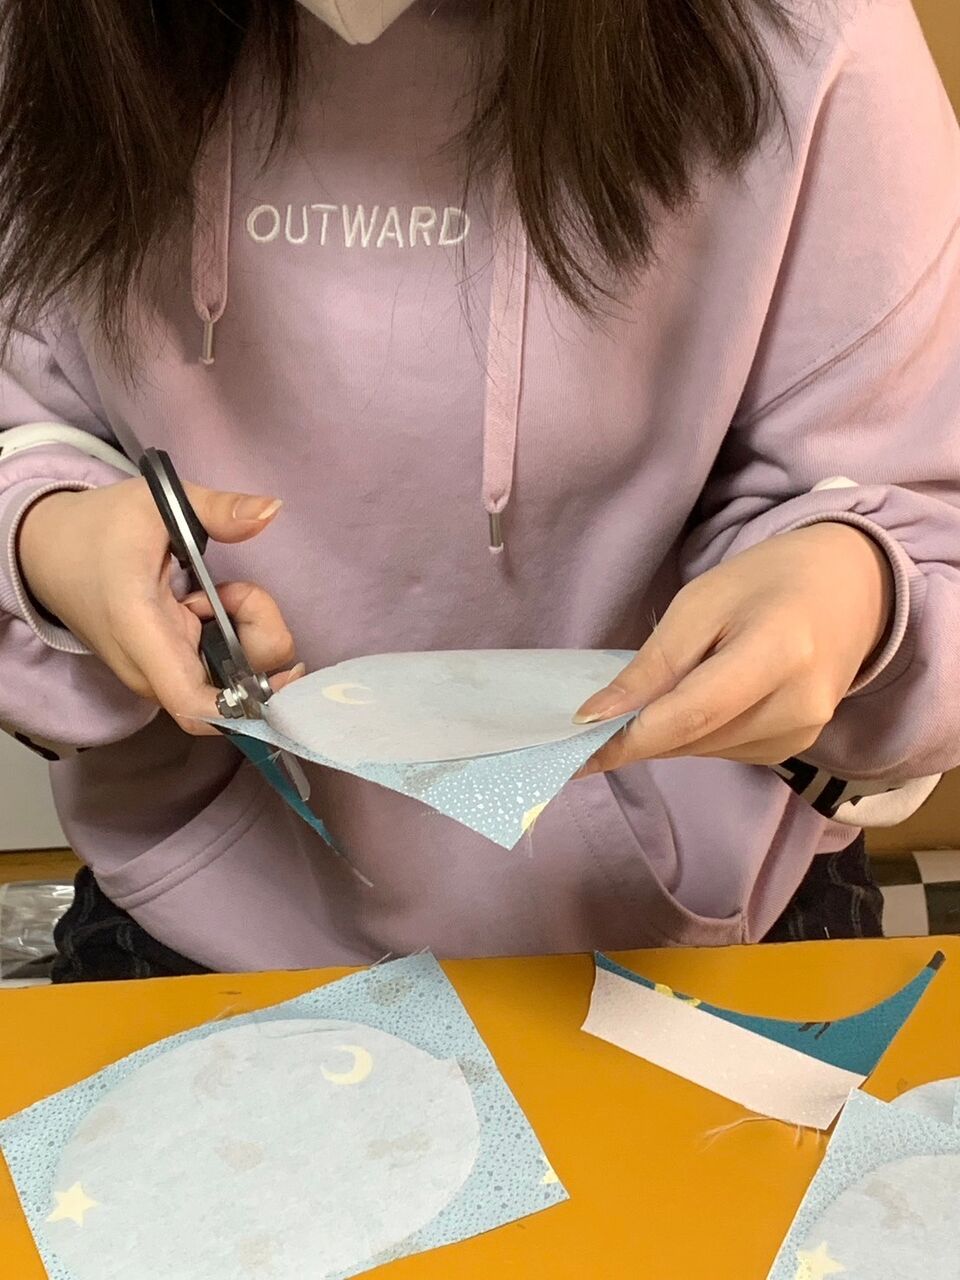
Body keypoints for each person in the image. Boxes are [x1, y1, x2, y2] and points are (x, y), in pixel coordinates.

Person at [0, 0, 958, 981]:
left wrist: (853, 587)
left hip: (696, 925)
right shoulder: (56, 31)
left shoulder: (811, 33)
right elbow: (25, 419)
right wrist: (48, 538)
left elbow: (924, 516)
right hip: (194, 904)